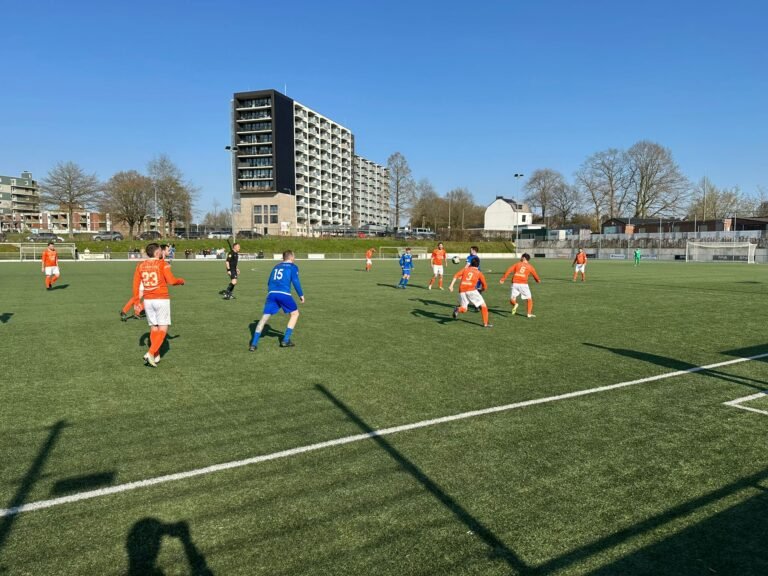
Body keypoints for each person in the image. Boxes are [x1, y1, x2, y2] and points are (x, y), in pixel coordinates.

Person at [133, 242, 185, 367]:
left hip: (148, 301)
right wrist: (181, 281)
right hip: (161, 299)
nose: (162, 252)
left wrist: (136, 302)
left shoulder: (140, 265)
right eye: (160, 250)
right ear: (157, 253)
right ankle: (150, 353)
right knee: (163, 329)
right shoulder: (163, 264)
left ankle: (156, 355)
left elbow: (135, 284)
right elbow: (171, 281)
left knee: (154, 328)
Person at [249, 250, 304, 351]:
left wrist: (272, 292)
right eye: (294, 256)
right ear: (291, 257)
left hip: (272, 294)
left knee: (264, 318)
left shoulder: (276, 266)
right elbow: (295, 281)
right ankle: (285, 340)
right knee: (295, 314)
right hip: (284, 294)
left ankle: (253, 344)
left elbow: (269, 282)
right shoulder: (293, 267)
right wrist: (301, 295)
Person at [449, 256, 492, 328]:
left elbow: (456, 275)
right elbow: (485, 286)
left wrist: (451, 286)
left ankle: (458, 309)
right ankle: (485, 323)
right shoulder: (479, 273)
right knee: (483, 306)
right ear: (478, 265)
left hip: (462, 290)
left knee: (464, 308)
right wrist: (482, 290)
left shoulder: (465, 269)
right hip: (471, 290)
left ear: (471, 263)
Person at [500, 253, 541, 318]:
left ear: (524, 258)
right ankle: (529, 314)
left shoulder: (517, 264)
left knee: (512, 299)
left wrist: (503, 279)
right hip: (524, 285)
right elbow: (535, 275)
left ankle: (515, 304)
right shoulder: (530, 267)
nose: (520, 258)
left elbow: (509, 270)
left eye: (521, 257)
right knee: (529, 299)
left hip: (515, 284)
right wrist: (537, 280)